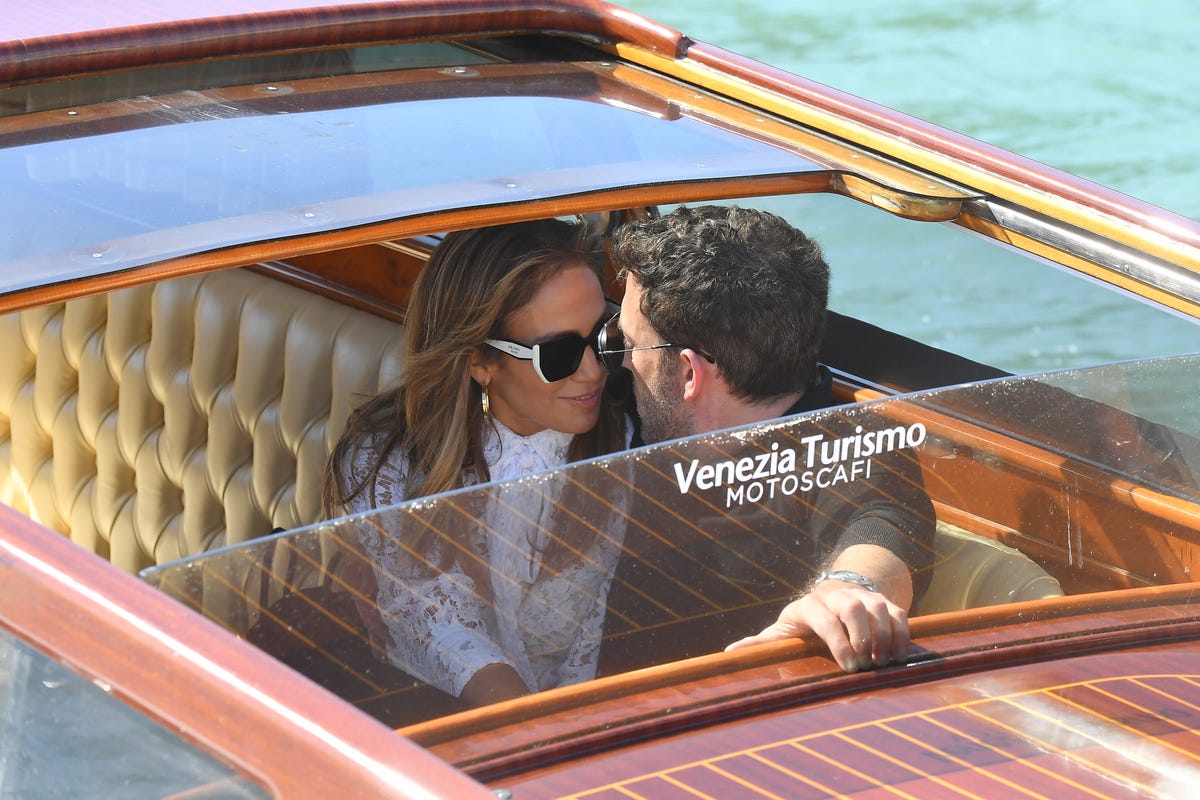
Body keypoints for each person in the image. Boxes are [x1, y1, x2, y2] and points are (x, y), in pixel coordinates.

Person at [602, 204, 935, 673]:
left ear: (687, 372)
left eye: (632, 346)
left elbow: (886, 524)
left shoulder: (855, 443)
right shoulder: (618, 403)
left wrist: (847, 592)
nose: (619, 363)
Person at [323, 218, 630, 708]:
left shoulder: (629, 444)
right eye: (560, 354)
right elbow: (442, 627)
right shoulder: (388, 462)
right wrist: (542, 739)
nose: (594, 370)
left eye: (604, 333)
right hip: (434, 723)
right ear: (479, 362)